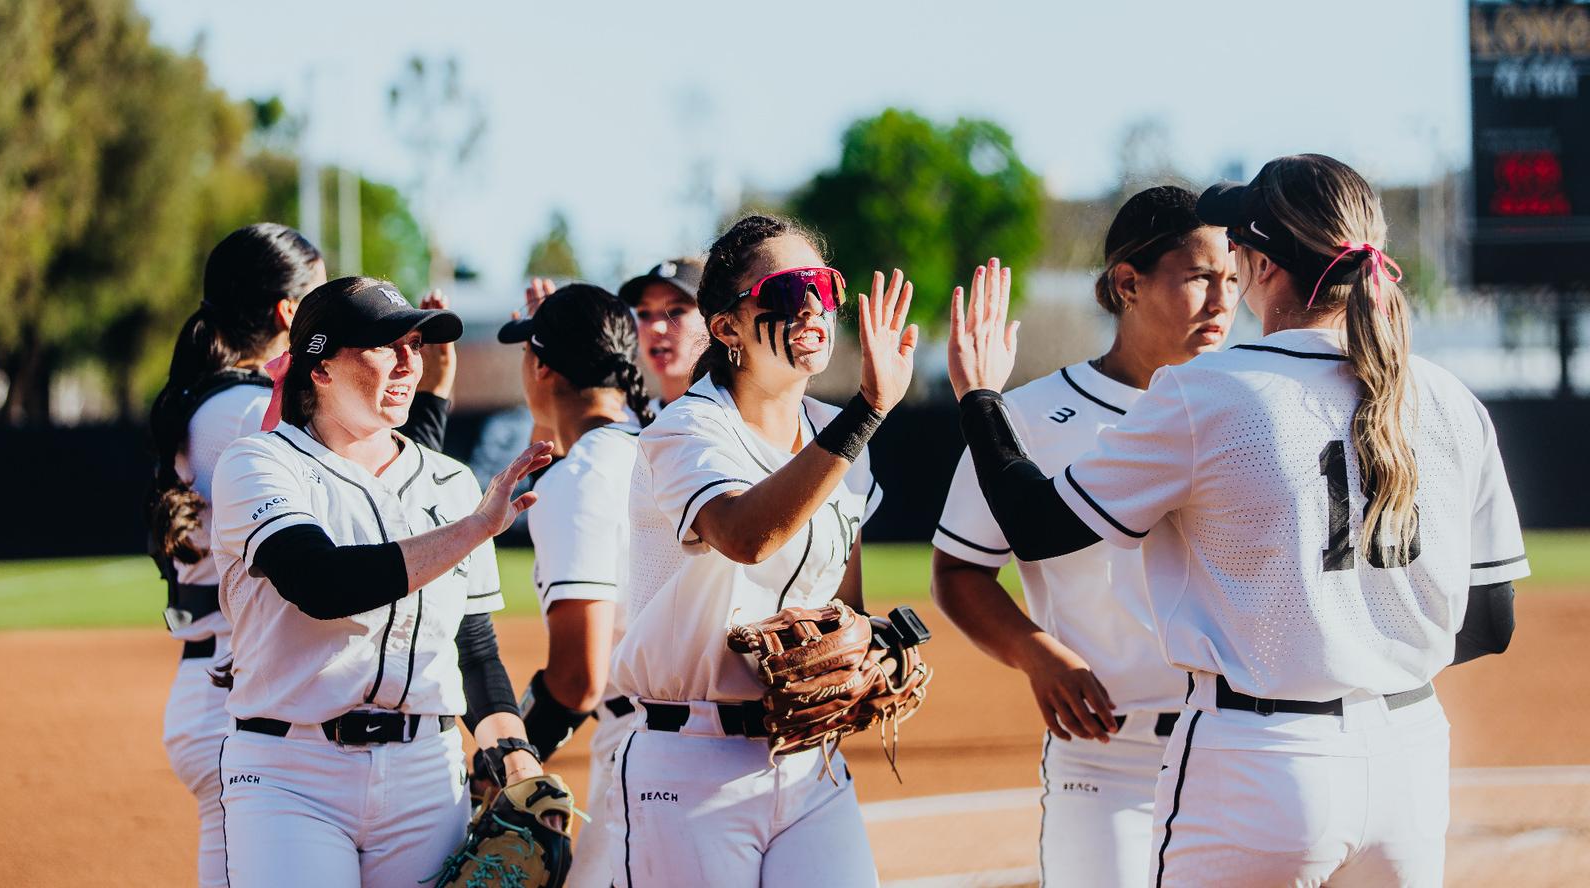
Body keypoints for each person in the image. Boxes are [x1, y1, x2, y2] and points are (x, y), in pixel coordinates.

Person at [948, 155, 1527, 887]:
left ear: (1261, 266)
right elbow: (1493, 621)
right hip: (1408, 757)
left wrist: (981, 398)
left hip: (1262, 760)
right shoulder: (1447, 399)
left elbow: (1036, 527)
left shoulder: (1210, 393)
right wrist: (1361, 662)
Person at [930, 185, 1239, 887]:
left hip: (1236, 742)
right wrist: (1036, 654)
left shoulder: (1247, 408)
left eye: (1232, 278)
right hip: (1106, 758)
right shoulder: (1031, 417)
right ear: (1127, 283)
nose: (1223, 301)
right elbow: (959, 571)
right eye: (1198, 278)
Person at [208, 276, 556, 887]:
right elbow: (321, 583)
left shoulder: (450, 482)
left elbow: (473, 653)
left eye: (415, 344)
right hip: (292, 772)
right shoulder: (260, 463)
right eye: (383, 344)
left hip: (427, 775)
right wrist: (475, 529)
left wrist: (516, 756)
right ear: (319, 367)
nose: (406, 360)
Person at [602, 214, 915, 887]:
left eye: (823, 286)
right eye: (785, 288)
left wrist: (874, 648)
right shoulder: (686, 428)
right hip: (692, 763)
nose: (810, 305)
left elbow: (845, 605)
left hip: (810, 761)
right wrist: (869, 412)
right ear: (726, 326)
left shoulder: (835, 434)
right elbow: (745, 535)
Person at [145, 224, 454, 887]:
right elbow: (355, 523)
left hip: (227, 676)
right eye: (319, 291)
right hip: (251, 698)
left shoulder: (214, 398)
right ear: (292, 314)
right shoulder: (254, 416)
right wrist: (427, 413)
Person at [492, 283, 654, 888]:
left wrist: (511, 759)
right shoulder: (660, 446)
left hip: (643, 753)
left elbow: (578, 680)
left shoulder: (577, 480)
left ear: (539, 367)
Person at [618, 257, 709, 407]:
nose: (655, 327)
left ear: (716, 323)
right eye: (644, 314)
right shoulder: (626, 425)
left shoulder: (744, 418)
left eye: (675, 311)